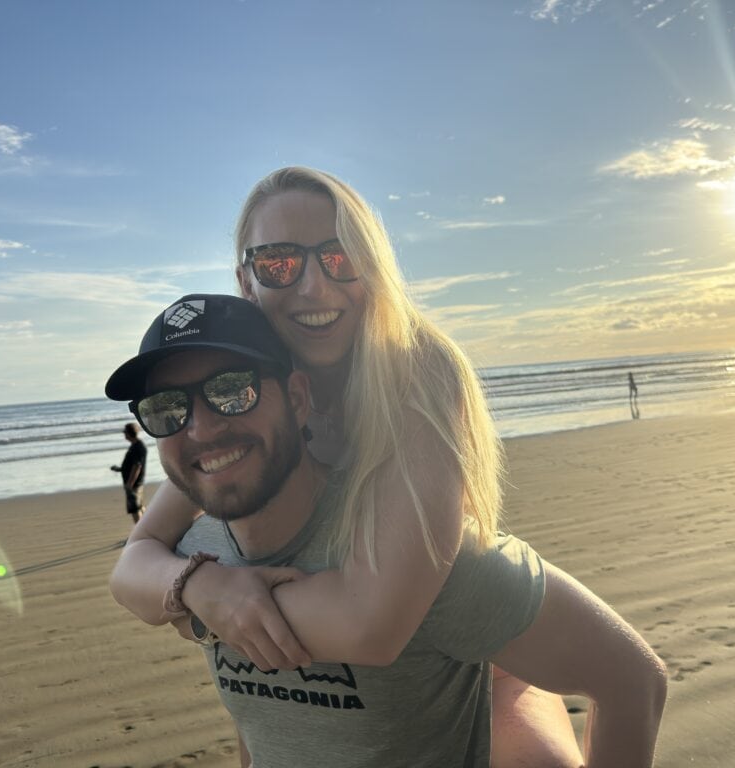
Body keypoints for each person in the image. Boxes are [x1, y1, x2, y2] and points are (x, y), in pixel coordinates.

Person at [109, 168, 665, 765]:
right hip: (405, 609)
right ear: (246, 280)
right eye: (279, 264)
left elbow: (372, 624)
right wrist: (203, 586)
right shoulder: (239, 423)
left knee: (527, 696)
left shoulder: (412, 368)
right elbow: (139, 556)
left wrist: (220, 611)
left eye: (340, 257)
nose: (315, 288)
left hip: (425, 571)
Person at [110, 422, 146, 523]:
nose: (124, 434)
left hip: (134, 484)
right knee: (139, 506)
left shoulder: (137, 447)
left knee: (135, 509)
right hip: (135, 483)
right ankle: (146, 527)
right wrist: (119, 469)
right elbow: (131, 465)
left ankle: (140, 531)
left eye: (125, 432)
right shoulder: (136, 446)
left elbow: (137, 466)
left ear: (129, 433)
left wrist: (130, 484)